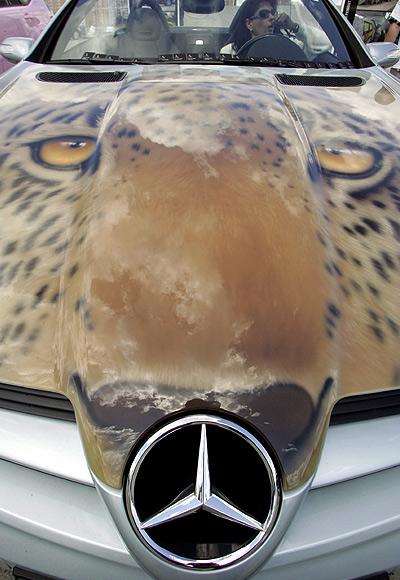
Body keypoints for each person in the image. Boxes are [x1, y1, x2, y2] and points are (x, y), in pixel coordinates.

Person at [221, 0, 299, 55]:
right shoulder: (230, 51)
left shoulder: (286, 47)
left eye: (272, 13)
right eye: (264, 14)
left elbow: (310, 52)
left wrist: (293, 26)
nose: (271, 17)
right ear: (249, 24)